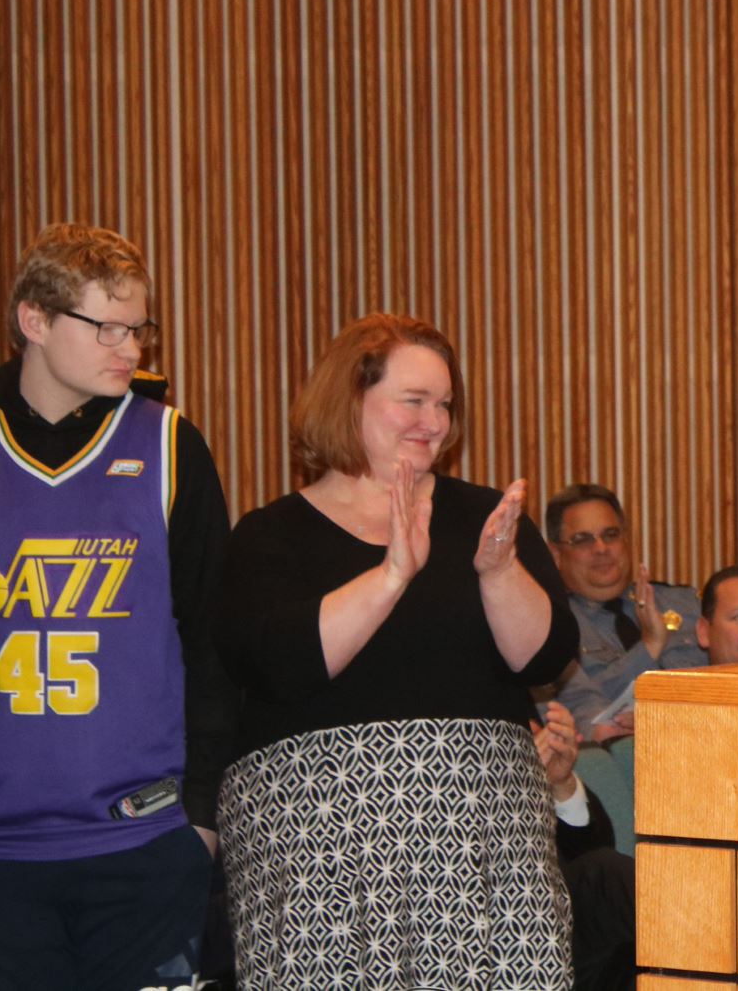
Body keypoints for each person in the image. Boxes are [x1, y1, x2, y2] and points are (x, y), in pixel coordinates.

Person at [213, 313, 580, 989]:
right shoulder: (269, 535)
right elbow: (280, 661)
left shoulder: (487, 519)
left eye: (444, 403)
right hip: (319, 853)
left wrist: (499, 572)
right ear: (350, 398)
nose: (435, 421)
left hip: (483, 845)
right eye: (414, 400)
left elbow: (546, 657)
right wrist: (392, 574)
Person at [0, 224, 236, 991]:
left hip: (143, 844)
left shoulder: (170, 445)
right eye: (106, 327)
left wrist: (199, 818)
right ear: (34, 320)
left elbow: (213, 642)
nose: (129, 348)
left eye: (138, 328)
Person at [542, 483, 706, 742]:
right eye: (583, 540)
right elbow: (580, 705)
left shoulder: (685, 604)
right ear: (556, 554)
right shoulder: (551, 628)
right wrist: (649, 647)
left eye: (611, 535)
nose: (601, 548)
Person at [535, 702, 634, 991]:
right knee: (606, 871)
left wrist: (560, 785)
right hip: (501, 917)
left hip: (568, 919)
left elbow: (595, 845)